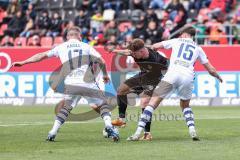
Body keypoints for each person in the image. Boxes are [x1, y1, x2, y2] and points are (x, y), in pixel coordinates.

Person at [11, 26, 119, 142]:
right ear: (80, 36)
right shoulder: (86, 46)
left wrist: (23, 62)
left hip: (71, 83)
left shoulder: (60, 47)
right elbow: (102, 61)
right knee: (103, 105)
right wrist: (105, 75)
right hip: (87, 82)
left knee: (66, 108)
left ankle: (52, 132)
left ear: (67, 37)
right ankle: (108, 126)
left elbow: (41, 55)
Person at [127, 26, 223, 141]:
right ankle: (192, 130)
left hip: (172, 74)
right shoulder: (198, 48)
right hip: (187, 76)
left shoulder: (176, 41)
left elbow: (155, 46)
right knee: (185, 105)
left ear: (184, 34)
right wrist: (218, 77)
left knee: (152, 102)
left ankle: (137, 133)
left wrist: (146, 50)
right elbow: (210, 69)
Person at [108, 39, 169, 140]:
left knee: (144, 102)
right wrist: (114, 50)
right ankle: (121, 119)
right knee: (121, 90)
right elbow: (128, 52)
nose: (134, 56)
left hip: (155, 78)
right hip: (144, 74)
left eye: (135, 54)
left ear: (142, 51)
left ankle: (147, 133)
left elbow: (164, 69)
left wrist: (135, 89)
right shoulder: (137, 52)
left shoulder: (154, 60)